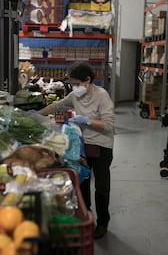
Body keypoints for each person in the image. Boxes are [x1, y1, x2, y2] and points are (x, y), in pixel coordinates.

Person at [37, 62, 115, 239]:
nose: (75, 87)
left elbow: (108, 126)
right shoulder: (75, 96)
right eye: (73, 84)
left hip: (101, 146)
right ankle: (87, 217)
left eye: (77, 83)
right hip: (82, 147)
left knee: (102, 187)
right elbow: (57, 106)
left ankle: (103, 222)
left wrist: (86, 120)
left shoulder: (102, 96)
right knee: (83, 183)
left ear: (87, 80)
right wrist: (36, 114)